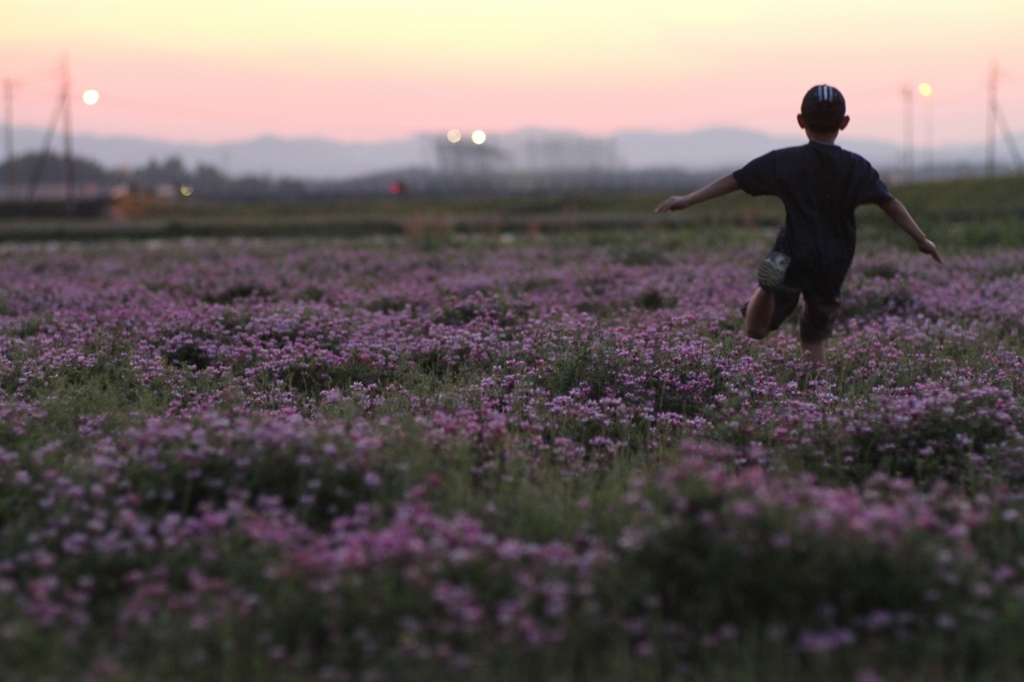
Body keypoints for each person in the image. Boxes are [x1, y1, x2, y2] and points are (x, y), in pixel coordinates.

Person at [655, 84, 942, 365]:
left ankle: (766, 289)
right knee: (814, 334)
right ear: (844, 123)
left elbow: (737, 180)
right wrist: (921, 239)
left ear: (801, 121)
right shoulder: (857, 166)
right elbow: (890, 203)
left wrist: (689, 199)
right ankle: (816, 393)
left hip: (791, 250)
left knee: (756, 330)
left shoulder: (786, 161)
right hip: (835, 259)